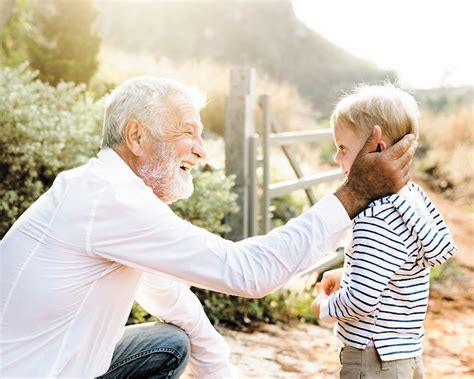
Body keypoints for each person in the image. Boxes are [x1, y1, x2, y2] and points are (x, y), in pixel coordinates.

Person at [0, 76, 416, 378]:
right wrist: (355, 192)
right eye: (188, 132)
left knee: (170, 342)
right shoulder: (108, 199)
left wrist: (220, 371)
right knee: (169, 345)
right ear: (137, 137)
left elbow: (169, 298)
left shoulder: (107, 194)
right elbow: (247, 271)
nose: (200, 150)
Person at [311, 83, 458, 379]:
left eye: (342, 148)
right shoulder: (412, 202)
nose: (337, 158)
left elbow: (362, 300)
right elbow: (398, 269)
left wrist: (323, 307)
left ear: (377, 149)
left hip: (372, 358)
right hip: (406, 355)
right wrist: (349, 273)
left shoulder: (374, 217)